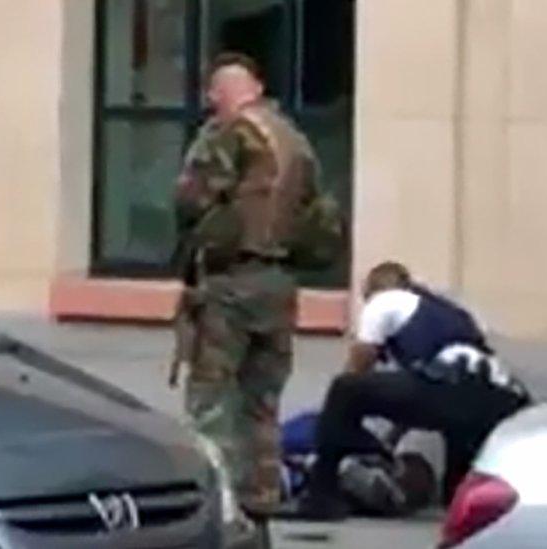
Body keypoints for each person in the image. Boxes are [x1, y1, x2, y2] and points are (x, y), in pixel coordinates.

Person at [170, 52, 325, 542]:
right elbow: (319, 217)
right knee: (263, 407)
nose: (210, 101)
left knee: (213, 406)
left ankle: (223, 518)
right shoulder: (295, 141)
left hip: (230, 286)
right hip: (279, 288)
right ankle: (259, 521)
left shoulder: (228, 134)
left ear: (224, 91)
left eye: (214, 91)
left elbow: (190, 199)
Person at [294, 261, 530, 521]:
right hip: (499, 398)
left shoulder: (385, 301)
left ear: (374, 290)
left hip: (452, 387)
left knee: (345, 390)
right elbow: (419, 394)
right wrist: (390, 439)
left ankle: (322, 496)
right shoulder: (449, 313)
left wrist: (336, 424)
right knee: (456, 490)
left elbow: (357, 367)